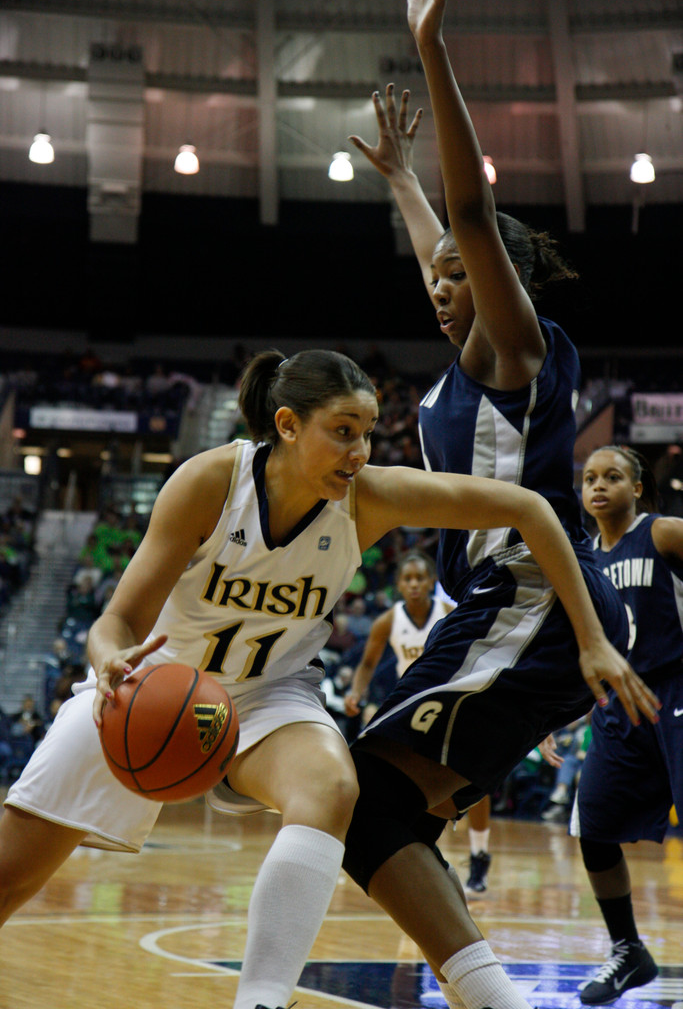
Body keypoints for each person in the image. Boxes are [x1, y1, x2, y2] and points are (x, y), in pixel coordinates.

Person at [0, 348, 654, 1009]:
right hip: (152, 691)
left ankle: (260, 1000)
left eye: (367, 431)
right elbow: (116, 621)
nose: (360, 450)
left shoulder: (368, 499)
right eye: (343, 430)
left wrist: (592, 639)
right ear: (287, 425)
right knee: (10, 877)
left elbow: (529, 509)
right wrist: (110, 660)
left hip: (267, 697)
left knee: (334, 784)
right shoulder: (210, 482)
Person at [339, 0, 660, 1009]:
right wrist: (398, 179)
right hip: (511, 610)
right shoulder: (457, 371)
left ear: (499, 282)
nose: (435, 284)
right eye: (429, 276)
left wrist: (430, 53)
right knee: (386, 812)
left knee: (355, 795)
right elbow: (448, 236)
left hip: (531, 605)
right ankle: (484, 994)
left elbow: (471, 217)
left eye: (453, 275)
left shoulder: (513, 349)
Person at [565, 444, 683, 1005]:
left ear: (637, 487)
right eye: (589, 478)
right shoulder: (581, 558)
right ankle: (628, 950)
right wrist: (555, 711)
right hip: (618, 704)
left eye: (613, 476)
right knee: (594, 828)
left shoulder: (660, 533)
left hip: (676, 689)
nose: (599, 485)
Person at [344, 551, 493, 897]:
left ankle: (480, 852)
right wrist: (356, 693)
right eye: (407, 579)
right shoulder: (388, 621)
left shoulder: (449, 614)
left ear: (431, 583)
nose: (413, 584)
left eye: (419, 578)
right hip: (413, 711)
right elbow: (367, 663)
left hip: (453, 703)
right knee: (413, 784)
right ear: (399, 585)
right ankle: (419, 849)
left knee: (472, 782)